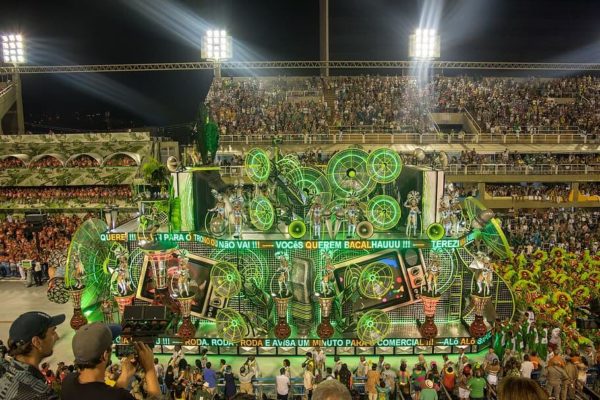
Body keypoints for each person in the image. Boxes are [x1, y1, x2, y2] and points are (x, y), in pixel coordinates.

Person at [61, 322, 160, 400]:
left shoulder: (67, 383)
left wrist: (125, 376)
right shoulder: (120, 397)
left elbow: (102, 394)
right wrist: (149, 368)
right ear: (104, 355)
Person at [0, 311, 64, 400]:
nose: (57, 337)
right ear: (37, 342)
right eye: (53, 332)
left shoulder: (6, 374)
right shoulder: (42, 394)